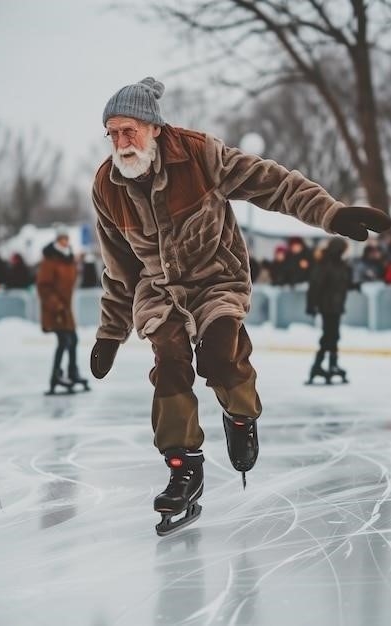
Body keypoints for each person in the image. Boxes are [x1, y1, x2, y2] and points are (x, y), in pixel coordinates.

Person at [89, 76, 391, 535]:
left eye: (128, 130)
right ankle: (183, 466)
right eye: (112, 133)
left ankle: (241, 414)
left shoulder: (200, 154)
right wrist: (110, 333)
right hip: (159, 290)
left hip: (216, 277)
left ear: (154, 128)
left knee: (219, 356)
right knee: (170, 362)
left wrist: (331, 213)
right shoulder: (107, 187)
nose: (120, 142)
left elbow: (274, 184)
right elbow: (118, 270)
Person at [36, 225, 89, 395]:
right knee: (64, 342)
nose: (65, 242)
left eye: (67, 239)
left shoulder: (68, 258)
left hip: (66, 309)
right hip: (55, 309)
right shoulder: (50, 260)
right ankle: (56, 376)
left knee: (73, 340)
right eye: (62, 239)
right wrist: (56, 304)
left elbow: (72, 278)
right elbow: (43, 286)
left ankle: (72, 374)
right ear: (57, 240)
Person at [305, 237, 354, 384]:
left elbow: (342, 284)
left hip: (336, 306)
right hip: (327, 306)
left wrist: (355, 284)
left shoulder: (341, 265)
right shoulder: (326, 264)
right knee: (329, 336)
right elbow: (315, 286)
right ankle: (318, 366)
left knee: (333, 336)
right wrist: (311, 305)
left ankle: (329, 365)